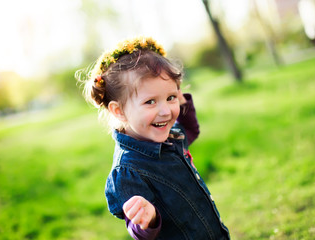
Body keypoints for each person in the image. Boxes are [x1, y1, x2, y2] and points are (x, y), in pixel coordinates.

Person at [77, 36, 230, 240]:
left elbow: (190, 129)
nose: (165, 111)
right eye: (150, 101)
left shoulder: (171, 137)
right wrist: (147, 220)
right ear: (119, 111)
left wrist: (179, 97)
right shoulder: (128, 171)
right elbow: (139, 230)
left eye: (170, 98)